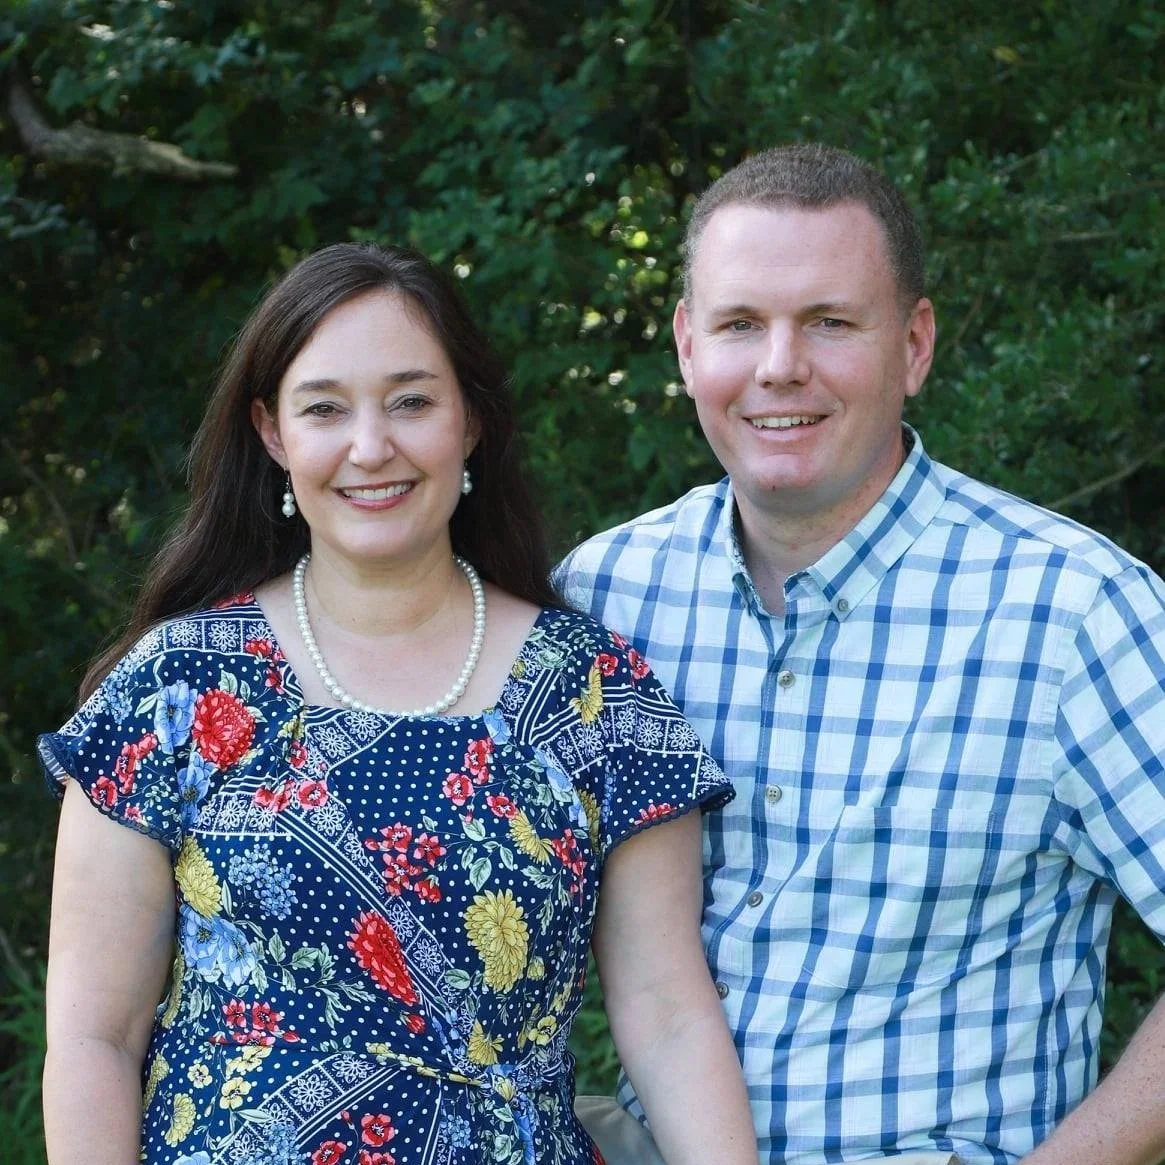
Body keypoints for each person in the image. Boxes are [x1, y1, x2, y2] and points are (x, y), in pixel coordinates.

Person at [39, 243, 759, 1165]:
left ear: (469, 423)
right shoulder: (177, 686)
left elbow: (666, 1018)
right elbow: (95, 1035)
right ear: (271, 433)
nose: (370, 446)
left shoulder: (594, 692)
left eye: (412, 401)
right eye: (325, 408)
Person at [559, 144, 1165, 1165]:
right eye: (740, 323)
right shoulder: (606, 597)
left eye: (830, 322)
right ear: (685, 346)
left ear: (914, 344)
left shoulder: (1071, 612)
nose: (779, 365)